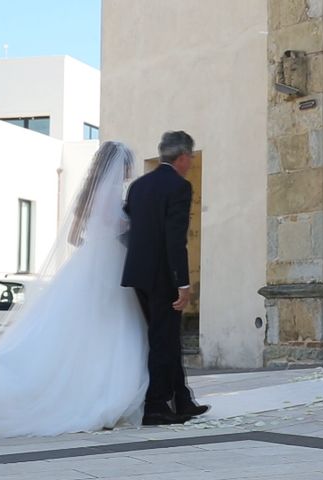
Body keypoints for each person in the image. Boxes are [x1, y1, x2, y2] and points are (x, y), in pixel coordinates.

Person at [0, 142, 150, 436]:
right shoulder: (111, 194)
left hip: (87, 263)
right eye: (127, 164)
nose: (129, 170)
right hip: (109, 267)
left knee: (76, 332)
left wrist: (93, 253)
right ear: (118, 166)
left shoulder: (87, 195)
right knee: (111, 330)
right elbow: (118, 227)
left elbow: (74, 238)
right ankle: (100, 394)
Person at [122, 131, 209, 426]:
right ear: (183, 157)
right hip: (163, 277)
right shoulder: (179, 187)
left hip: (138, 273)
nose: (191, 162)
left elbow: (130, 230)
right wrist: (182, 283)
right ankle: (156, 405)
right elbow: (175, 239)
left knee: (168, 338)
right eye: (191, 157)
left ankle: (181, 399)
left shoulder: (138, 186)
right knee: (163, 340)